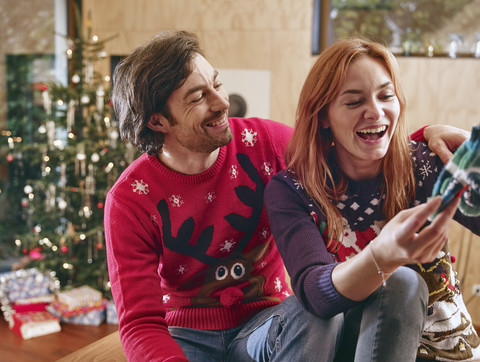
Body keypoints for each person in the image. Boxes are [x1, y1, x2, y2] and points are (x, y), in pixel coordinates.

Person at [105, 30, 470, 361]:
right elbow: (139, 325)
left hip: (271, 323)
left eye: (217, 85)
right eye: (199, 97)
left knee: (315, 311)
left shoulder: (268, 143)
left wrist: (421, 141)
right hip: (189, 336)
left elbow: (348, 149)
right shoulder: (130, 200)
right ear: (158, 122)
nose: (221, 102)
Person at [264, 37, 480, 361]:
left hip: (444, 348)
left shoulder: (423, 163)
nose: (375, 112)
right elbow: (314, 294)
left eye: (385, 95)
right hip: (357, 346)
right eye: (354, 102)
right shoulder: (293, 190)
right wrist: (383, 256)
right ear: (323, 116)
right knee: (401, 280)